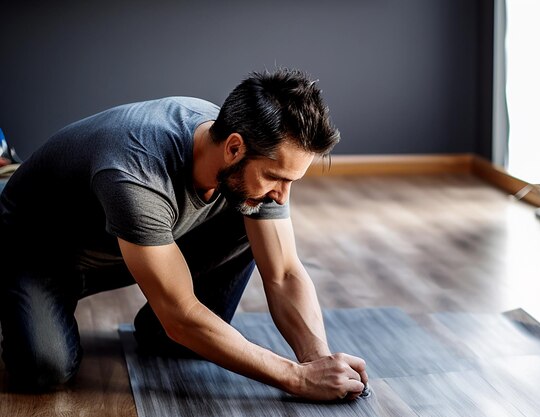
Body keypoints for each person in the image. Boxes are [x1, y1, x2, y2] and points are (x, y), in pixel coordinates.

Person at [0, 69, 368, 400]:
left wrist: (318, 360)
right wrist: (298, 379)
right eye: (277, 178)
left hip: (121, 245)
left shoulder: (242, 148)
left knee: (249, 209)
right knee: (44, 370)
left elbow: (285, 272)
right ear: (234, 147)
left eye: (291, 181)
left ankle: (160, 329)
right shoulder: (136, 172)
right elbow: (181, 315)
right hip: (37, 253)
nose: (282, 196)